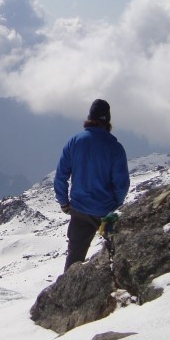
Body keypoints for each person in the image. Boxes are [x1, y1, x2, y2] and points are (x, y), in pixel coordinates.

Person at [54, 99, 130, 271]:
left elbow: (60, 176)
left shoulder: (75, 141)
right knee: (116, 252)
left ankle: (68, 292)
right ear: (107, 121)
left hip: (79, 210)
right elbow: (121, 184)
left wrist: (64, 203)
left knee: (74, 257)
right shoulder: (115, 148)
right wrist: (116, 205)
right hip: (105, 211)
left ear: (89, 117)